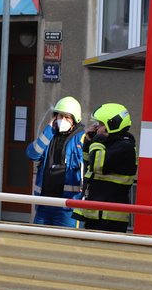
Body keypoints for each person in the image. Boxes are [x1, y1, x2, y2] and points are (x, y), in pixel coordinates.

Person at [73, 103, 138, 232]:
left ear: (112, 125)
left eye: (100, 124)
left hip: (110, 219)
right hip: (96, 214)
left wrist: (97, 140)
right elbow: (88, 164)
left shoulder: (125, 147)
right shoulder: (111, 143)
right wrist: (88, 143)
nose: (97, 128)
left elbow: (98, 166)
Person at [27, 96, 86, 227]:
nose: (62, 120)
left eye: (66, 117)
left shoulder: (82, 139)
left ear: (75, 120)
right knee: (39, 241)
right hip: (44, 204)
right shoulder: (49, 135)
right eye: (59, 116)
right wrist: (48, 129)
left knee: (66, 244)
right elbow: (32, 154)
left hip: (68, 207)